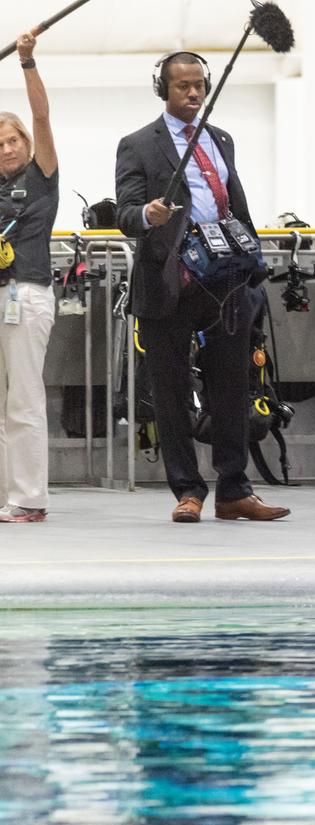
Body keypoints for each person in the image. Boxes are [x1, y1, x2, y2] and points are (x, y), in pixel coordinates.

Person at [115, 52, 289, 523]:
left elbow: (234, 202)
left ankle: (234, 489)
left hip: (226, 279)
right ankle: (188, 491)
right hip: (167, 279)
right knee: (169, 391)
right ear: (163, 90)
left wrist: (255, 266)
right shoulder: (138, 145)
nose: (192, 94)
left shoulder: (221, 139)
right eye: (182, 86)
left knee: (232, 386)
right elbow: (125, 214)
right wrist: (147, 216)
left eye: (199, 86)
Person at [0, 31, 58, 523]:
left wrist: (27, 63)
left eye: (12, 139)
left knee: (23, 399)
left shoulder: (41, 176)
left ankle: (29, 498)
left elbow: (41, 115)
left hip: (27, 294)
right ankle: (7, 493)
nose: (6, 148)